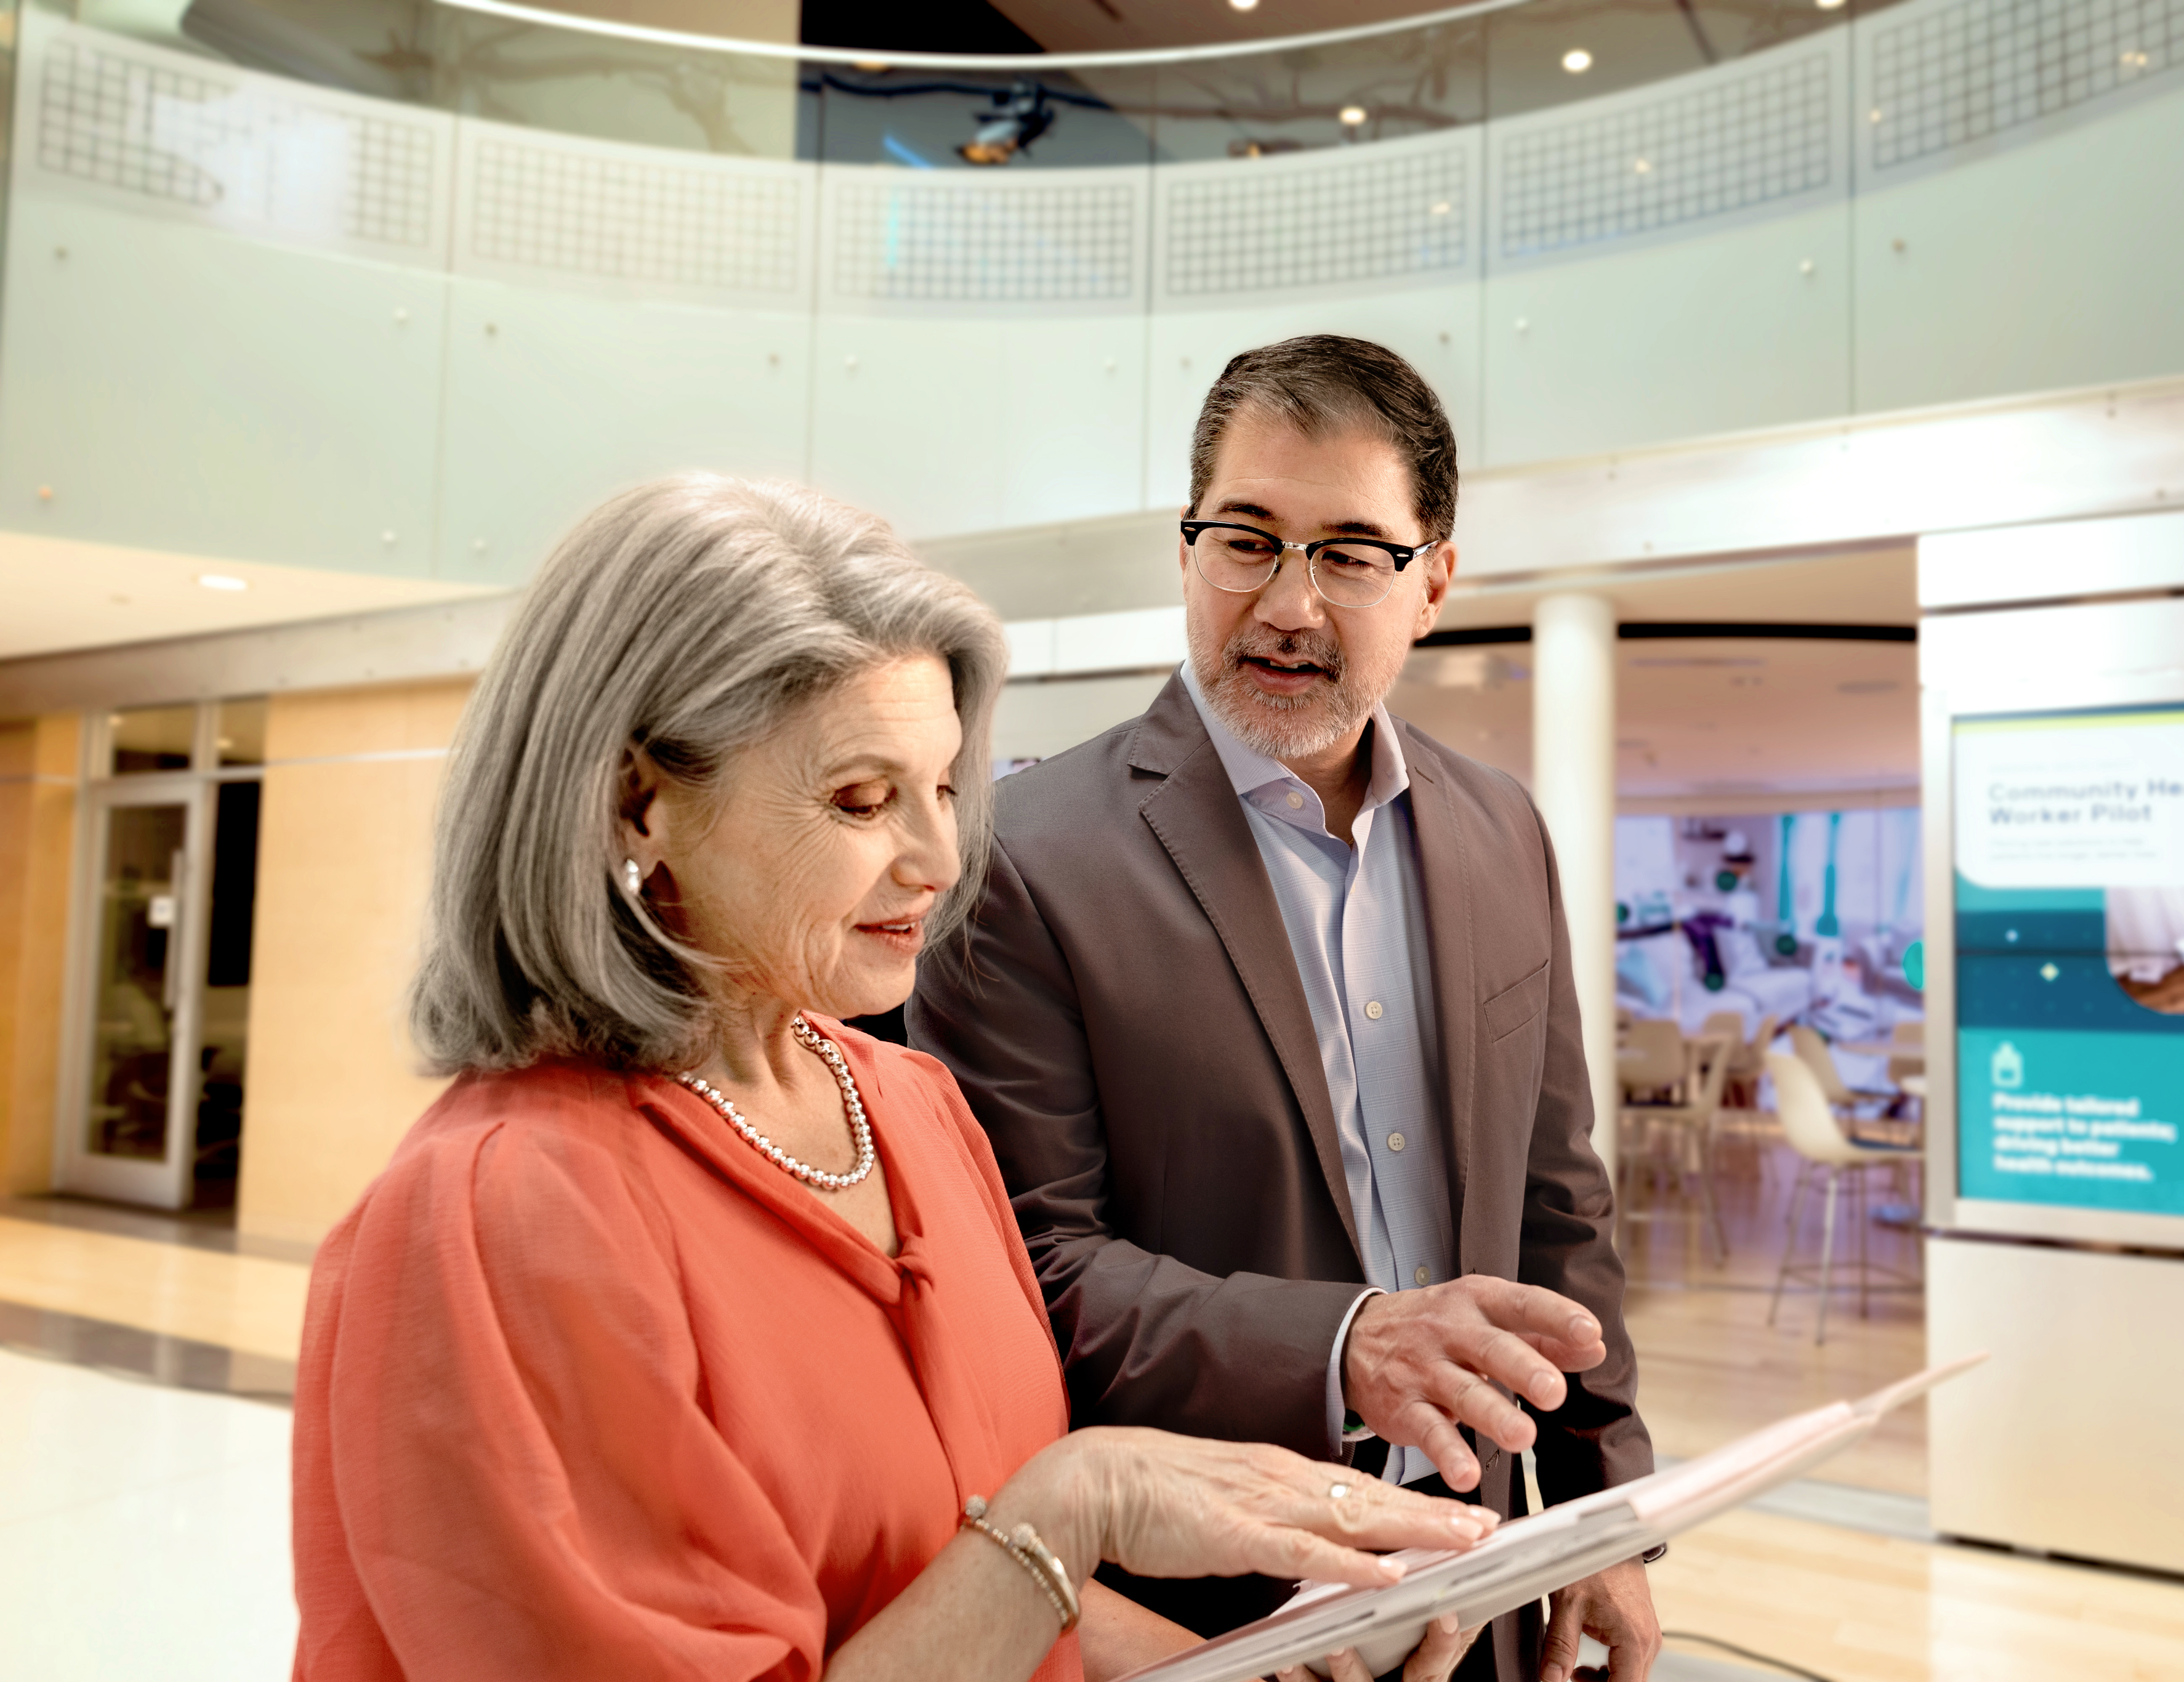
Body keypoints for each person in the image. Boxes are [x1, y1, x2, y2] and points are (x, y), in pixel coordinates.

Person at [290, 476, 1501, 1682]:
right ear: (638, 802)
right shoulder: (501, 1210)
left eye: (941, 791)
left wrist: (1243, 1667)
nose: (937, 859)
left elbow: (973, 1590)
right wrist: (1074, 1503)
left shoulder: (905, 1103)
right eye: (860, 800)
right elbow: (1018, 1551)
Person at [911, 337, 1659, 1682]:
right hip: (1198, 1610)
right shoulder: (1017, 857)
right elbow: (1035, 1272)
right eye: (1244, 540)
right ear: (1182, 552)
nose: (1288, 606)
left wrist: (1598, 1515)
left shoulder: (1500, 831)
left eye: (1350, 552)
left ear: (1432, 581)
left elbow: (1557, 1204)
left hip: (1472, 1575)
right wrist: (1344, 1343)